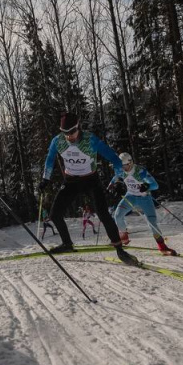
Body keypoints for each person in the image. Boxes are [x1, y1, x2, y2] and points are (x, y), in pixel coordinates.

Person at [37, 112, 139, 265]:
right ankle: (67, 244)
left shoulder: (90, 140)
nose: (69, 136)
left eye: (72, 131)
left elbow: (115, 160)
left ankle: (120, 250)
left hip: (90, 180)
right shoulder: (58, 141)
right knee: (55, 214)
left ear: (78, 127)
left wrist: (118, 179)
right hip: (71, 181)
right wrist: (45, 179)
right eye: (65, 133)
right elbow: (50, 160)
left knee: (103, 214)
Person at [109, 153, 177, 256]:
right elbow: (116, 177)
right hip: (130, 197)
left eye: (126, 166)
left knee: (152, 223)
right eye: (122, 166)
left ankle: (163, 247)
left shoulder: (140, 171)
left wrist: (146, 186)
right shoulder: (120, 169)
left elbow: (155, 185)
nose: (124, 168)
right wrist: (111, 185)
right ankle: (124, 236)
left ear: (130, 163)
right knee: (117, 215)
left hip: (144, 198)